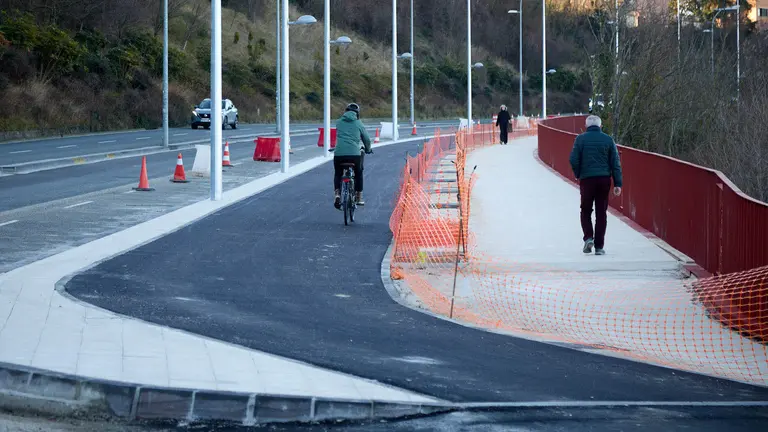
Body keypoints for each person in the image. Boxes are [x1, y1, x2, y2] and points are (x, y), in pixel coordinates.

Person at [568, 115, 623, 256]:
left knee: (585, 210)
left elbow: (573, 159)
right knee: (601, 213)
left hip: (587, 180)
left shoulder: (580, 139)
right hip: (604, 179)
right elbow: (615, 163)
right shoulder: (608, 140)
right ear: (600, 126)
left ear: (586, 126)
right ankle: (599, 247)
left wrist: (578, 173)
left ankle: (588, 238)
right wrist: (618, 183)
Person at [333, 103, 372, 209]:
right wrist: (368, 149)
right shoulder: (359, 123)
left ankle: (337, 195)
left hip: (339, 153)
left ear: (345, 111)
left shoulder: (338, 122)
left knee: (338, 173)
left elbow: (340, 136)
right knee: (359, 173)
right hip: (354, 155)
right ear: (357, 113)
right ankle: (359, 197)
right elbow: (367, 139)